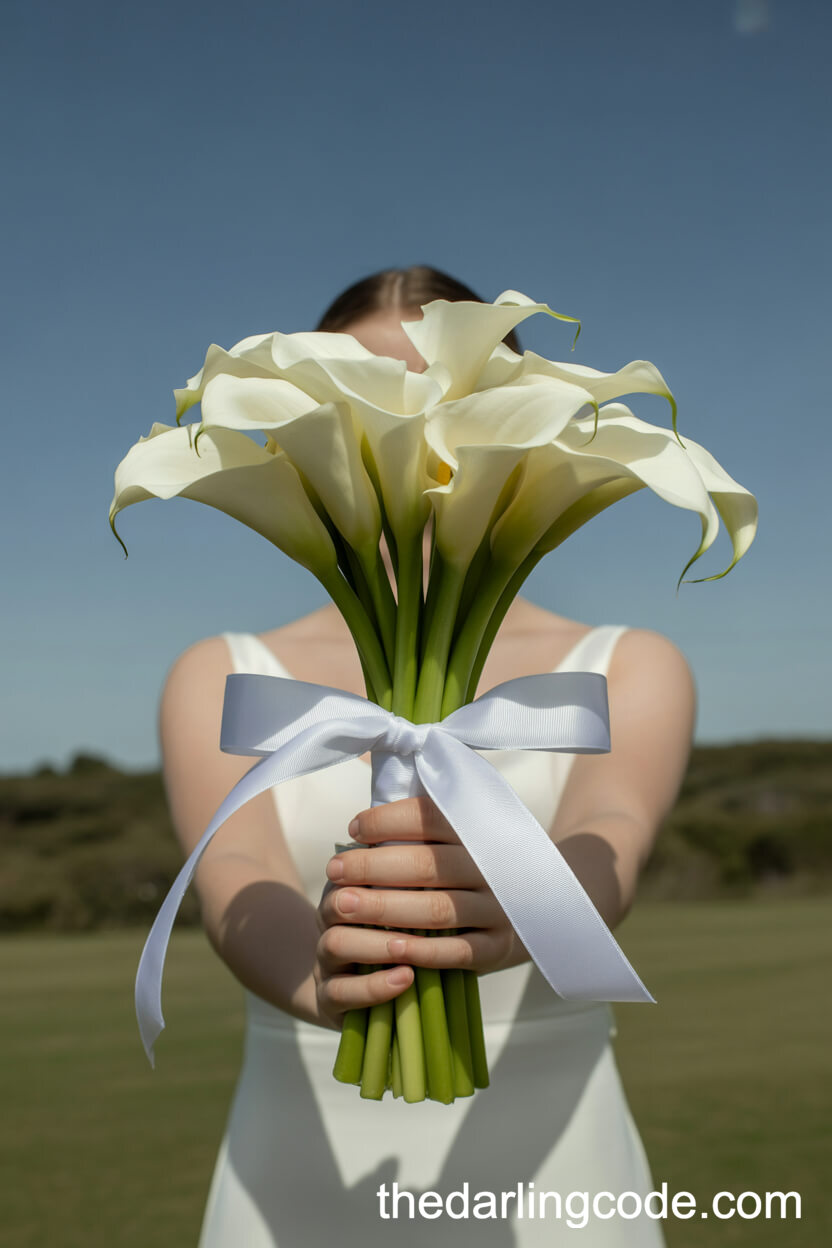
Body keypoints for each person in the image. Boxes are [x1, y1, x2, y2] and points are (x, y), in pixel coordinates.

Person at [160, 266, 696, 1246]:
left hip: (555, 1172)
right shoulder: (224, 673)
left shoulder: (627, 664)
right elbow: (237, 870)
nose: (415, 426)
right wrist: (321, 984)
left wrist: (527, 912)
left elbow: (608, 830)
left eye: (454, 398)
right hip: (300, 1156)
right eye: (370, 392)